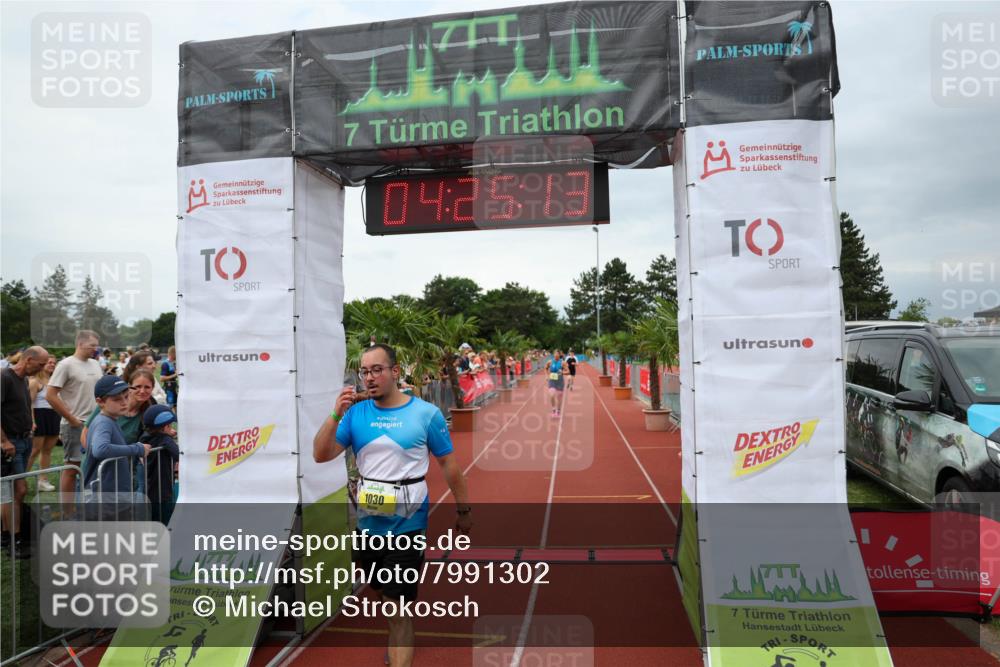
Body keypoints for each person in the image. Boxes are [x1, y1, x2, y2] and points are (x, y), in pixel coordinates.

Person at [313, 343, 471, 667]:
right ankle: (399, 627)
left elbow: (449, 465)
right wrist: (334, 414)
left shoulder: (425, 414)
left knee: (397, 606)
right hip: (369, 521)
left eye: (377, 370)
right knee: (384, 596)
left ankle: (400, 641)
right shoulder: (356, 414)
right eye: (365, 372)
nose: (369, 378)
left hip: (409, 522)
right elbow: (321, 454)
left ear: (395, 372)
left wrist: (464, 510)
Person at [1, 346, 49, 558]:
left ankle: (7, 534)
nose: (41, 369)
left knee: (14, 491)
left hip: (23, 439)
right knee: (16, 491)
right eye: (39, 365)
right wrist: (3, 441)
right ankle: (15, 540)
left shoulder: (22, 380)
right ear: (28, 359)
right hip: (10, 442)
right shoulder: (5, 377)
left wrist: (29, 426)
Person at [47, 330, 103, 502]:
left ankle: (89, 505)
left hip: (96, 423)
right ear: (80, 344)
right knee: (72, 469)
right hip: (76, 425)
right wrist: (72, 419)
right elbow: (50, 395)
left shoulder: (95, 364)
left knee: (95, 467)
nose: (95, 349)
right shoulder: (65, 365)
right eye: (92, 345)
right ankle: (68, 511)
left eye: (96, 345)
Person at [81, 375, 152, 508]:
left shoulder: (111, 420)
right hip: (105, 496)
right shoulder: (104, 422)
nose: (124, 402)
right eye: (117, 399)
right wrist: (137, 449)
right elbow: (100, 449)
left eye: (126, 396)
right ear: (100, 402)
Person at [141, 404, 179, 525]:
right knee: (165, 519)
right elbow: (178, 454)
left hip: (149, 488)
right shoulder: (165, 440)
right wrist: (169, 438)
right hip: (163, 491)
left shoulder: (145, 438)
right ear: (165, 426)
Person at [28, 354, 59, 491]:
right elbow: (29, 404)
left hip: (53, 416)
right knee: (34, 451)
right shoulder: (34, 382)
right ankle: (18, 480)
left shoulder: (55, 383)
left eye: (54, 362)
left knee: (47, 451)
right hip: (39, 417)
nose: (52, 364)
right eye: (49, 362)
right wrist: (32, 421)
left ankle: (43, 480)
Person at [544, 350, 567, 417]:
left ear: (559, 355)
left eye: (557, 355)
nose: (556, 356)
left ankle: (558, 410)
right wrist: (546, 376)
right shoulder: (550, 362)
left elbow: (568, 371)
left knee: (559, 397)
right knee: (552, 395)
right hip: (552, 380)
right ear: (553, 355)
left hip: (560, 381)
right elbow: (545, 368)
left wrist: (562, 372)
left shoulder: (563, 363)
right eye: (555, 354)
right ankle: (554, 409)